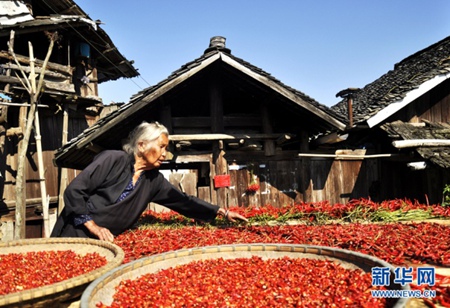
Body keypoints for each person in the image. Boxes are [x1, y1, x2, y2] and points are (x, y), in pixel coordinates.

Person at [51, 121, 248, 242]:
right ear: (142, 145)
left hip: (105, 242)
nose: (165, 153)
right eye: (161, 147)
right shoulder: (113, 159)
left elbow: (183, 201)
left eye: (166, 148)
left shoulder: (153, 181)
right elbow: (74, 191)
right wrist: (93, 226)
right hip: (74, 234)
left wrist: (221, 211)